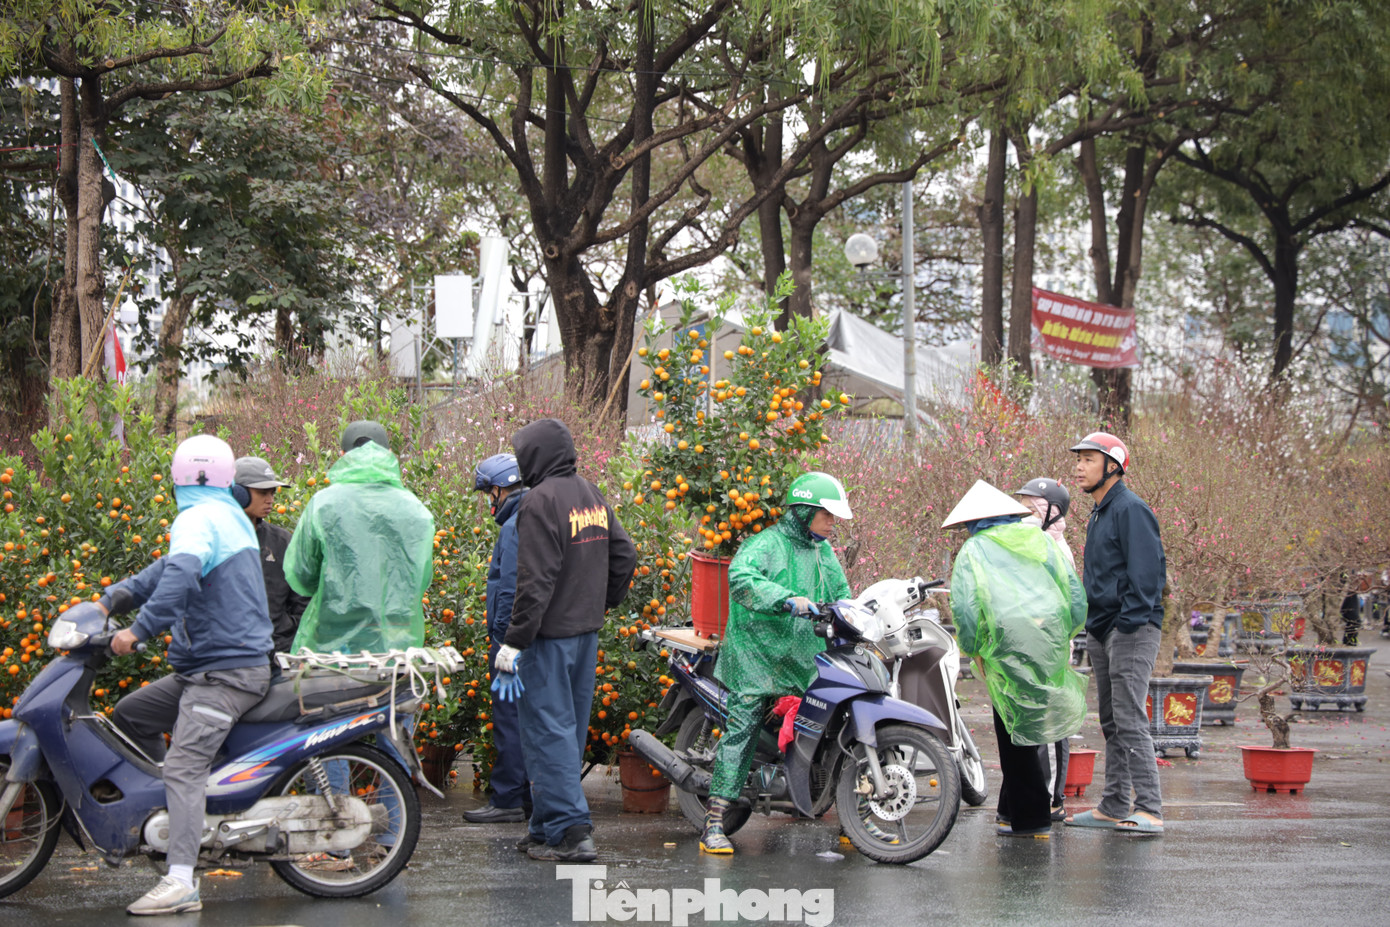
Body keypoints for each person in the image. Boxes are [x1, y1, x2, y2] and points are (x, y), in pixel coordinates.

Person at [106, 435, 273, 915]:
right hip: (207, 667)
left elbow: (178, 577)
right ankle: (174, 809)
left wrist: (137, 630)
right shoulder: (226, 516)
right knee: (131, 714)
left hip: (226, 673)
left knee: (183, 766)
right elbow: (163, 571)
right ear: (229, 483)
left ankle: (181, 880)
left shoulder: (197, 518)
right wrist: (106, 601)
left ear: (180, 479)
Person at [493, 419, 636, 862]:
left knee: (547, 731)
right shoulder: (590, 493)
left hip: (548, 638)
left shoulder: (538, 501)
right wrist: (601, 602)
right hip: (584, 635)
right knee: (565, 731)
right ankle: (544, 828)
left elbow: (535, 580)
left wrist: (514, 641)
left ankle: (572, 831)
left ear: (535, 456)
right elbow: (625, 554)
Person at [700, 471, 853, 855]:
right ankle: (714, 821)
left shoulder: (823, 552)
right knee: (743, 727)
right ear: (804, 511)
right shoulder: (765, 544)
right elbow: (741, 578)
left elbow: (842, 595)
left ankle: (852, 815)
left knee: (839, 723)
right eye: (827, 515)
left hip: (803, 657)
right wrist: (785, 599)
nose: (832, 523)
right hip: (757, 656)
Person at [946, 480, 1087, 839]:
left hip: (1004, 644)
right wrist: (1063, 634)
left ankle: (1031, 818)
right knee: (1033, 723)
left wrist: (974, 648)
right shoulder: (1041, 541)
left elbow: (965, 609)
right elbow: (1074, 594)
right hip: (1047, 640)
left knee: (1012, 729)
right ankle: (1010, 812)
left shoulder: (974, 549)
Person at [1064, 432, 1168, 836]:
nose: (1079, 467)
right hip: (1103, 627)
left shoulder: (1131, 509)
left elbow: (1147, 575)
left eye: (1088, 459)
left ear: (1113, 466)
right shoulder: (1099, 513)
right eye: (1078, 459)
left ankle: (1150, 809)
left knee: (1128, 716)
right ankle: (1113, 805)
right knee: (1111, 720)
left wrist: (1127, 624)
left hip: (1132, 629)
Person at [284, 420, 435, 654]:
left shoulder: (323, 505)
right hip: (395, 642)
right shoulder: (415, 510)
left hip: (331, 641)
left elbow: (302, 575)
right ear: (390, 454)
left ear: (342, 456)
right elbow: (420, 579)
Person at [463, 453, 531, 825]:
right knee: (529, 720)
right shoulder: (534, 516)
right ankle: (528, 798)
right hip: (532, 637)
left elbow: (510, 588)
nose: (490, 502)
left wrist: (504, 642)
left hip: (512, 641)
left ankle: (507, 800)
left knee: (509, 720)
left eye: (490, 493)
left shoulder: (514, 526)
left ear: (501, 489)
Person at [1015, 476, 1079, 819]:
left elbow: (1060, 605)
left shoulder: (1056, 550)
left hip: (1048, 647)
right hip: (1025, 644)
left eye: (1032, 508)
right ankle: (1028, 797)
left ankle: (1051, 800)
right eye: (1022, 506)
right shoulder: (1030, 544)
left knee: (1048, 723)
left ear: (1051, 512)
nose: (1025, 513)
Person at [232, 456, 310, 656]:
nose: (270, 499)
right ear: (237, 493)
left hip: (277, 653)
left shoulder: (282, 541)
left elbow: (302, 596)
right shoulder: (218, 540)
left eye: (272, 492)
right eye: (262, 492)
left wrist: (286, 629)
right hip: (231, 654)